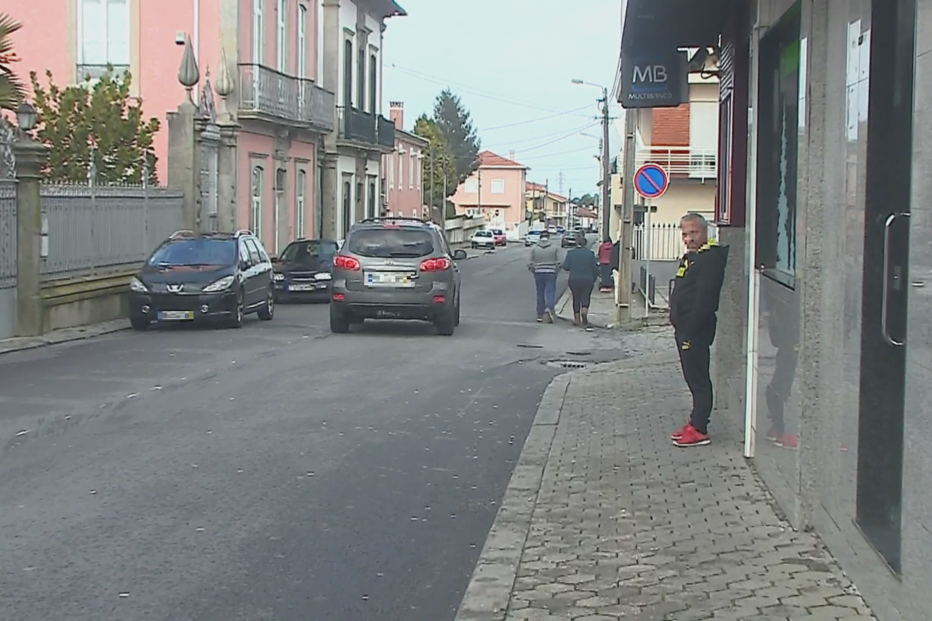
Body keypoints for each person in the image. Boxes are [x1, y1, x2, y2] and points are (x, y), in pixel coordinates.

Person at [669, 213, 729, 448]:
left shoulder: (710, 259)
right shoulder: (692, 258)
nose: (689, 238)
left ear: (705, 231)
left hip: (695, 330)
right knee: (691, 377)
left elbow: (706, 298)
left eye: (694, 233)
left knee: (699, 379)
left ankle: (700, 428)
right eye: (685, 234)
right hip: (684, 328)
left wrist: (691, 329)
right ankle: (695, 420)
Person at [562, 232, 600, 329]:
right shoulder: (590, 254)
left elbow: (566, 267)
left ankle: (577, 318)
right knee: (585, 297)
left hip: (574, 279)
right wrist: (594, 279)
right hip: (587, 279)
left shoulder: (571, 253)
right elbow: (595, 269)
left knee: (576, 298)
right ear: (585, 244)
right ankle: (584, 312)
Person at [528, 230, 559, 323]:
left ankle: (540, 314)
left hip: (538, 272)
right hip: (551, 272)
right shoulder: (554, 247)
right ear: (549, 237)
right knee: (550, 291)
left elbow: (529, 262)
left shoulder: (534, 248)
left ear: (540, 237)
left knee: (540, 293)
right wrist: (556, 269)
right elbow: (559, 261)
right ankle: (550, 308)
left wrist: (533, 270)